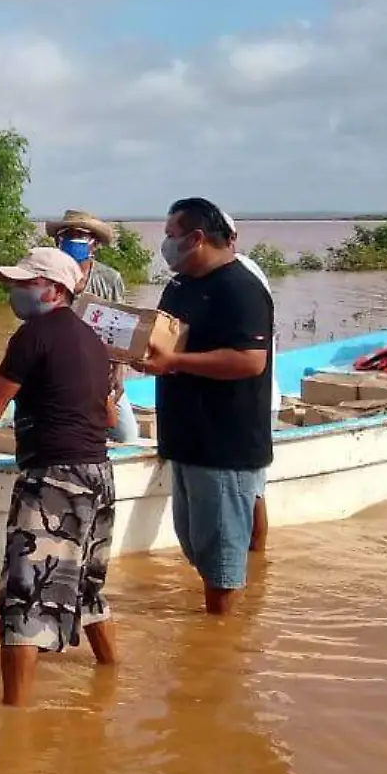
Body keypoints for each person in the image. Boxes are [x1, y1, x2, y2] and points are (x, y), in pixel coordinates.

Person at [0, 245, 118, 707]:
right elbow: (110, 417)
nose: (15, 292)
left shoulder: (32, 336)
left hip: (54, 476)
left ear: (54, 290)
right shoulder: (95, 341)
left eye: (23, 283)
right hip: (100, 474)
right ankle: (112, 676)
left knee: (25, 592)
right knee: (87, 587)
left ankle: (14, 717)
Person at [137, 197, 274, 616]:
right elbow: (164, 337)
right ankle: (222, 630)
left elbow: (251, 361)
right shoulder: (180, 284)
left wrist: (175, 362)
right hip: (185, 438)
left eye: (170, 235)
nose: (165, 244)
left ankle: (226, 647)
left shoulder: (241, 288)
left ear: (197, 238)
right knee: (196, 545)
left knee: (222, 561)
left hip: (224, 444)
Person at [45, 208, 138, 443]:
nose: (73, 239)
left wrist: (118, 375)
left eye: (80, 234)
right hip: (58, 371)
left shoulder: (110, 279)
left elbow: (121, 331)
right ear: (58, 241)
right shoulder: (48, 277)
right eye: (68, 234)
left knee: (126, 435)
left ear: (94, 244)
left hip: (100, 372)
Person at [220, 210, 276, 553]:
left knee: (251, 489)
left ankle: (256, 561)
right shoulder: (221, 277)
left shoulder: (243, 278)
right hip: (235, 399)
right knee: (250, 488)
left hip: (252, 400)